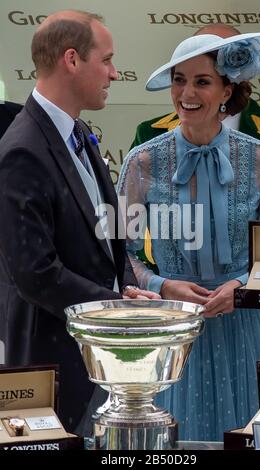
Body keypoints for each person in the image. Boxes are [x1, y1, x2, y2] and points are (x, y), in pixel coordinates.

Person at [118, 31, 260, 441]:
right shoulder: (141, 162)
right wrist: (163, 285)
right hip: (175, 334)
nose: (186, 93)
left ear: (226, 90)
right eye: (179, 79)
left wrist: (243, 287)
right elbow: (116, 256)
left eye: (201, 81)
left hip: (244, 328)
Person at [0, 10, 158, 434]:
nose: (114, 72)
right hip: (54, 366)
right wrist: (115, 307)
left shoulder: (79, 132)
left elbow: (109, 237)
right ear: (72, 60)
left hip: (98, 361)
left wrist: (125, 285)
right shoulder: (22, 151)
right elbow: (34, 273)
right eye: (106, 60)